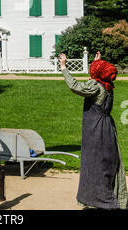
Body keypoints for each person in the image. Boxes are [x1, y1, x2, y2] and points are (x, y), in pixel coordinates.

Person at [59, 51, 127, 210]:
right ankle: (114, 197)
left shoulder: (95, 87)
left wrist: (63, 67)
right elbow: (97, 76)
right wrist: (98, 63)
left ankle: (101, 201)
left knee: (95, 165)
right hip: (107, 128)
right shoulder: (107, 86)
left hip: (96, 130)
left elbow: (75, 86)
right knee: (108, 164)